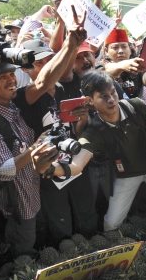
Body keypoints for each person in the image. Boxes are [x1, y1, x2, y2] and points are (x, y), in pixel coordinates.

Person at [31, 70, 146, 237]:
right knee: (111, 223)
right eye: (103, 96)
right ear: (89, 101)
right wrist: (48, 169)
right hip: (126, 176)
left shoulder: (135, 106)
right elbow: (77, 165)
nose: (111, 99)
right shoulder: (94, 130)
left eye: (113, 92)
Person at [9, 18, 97, 243]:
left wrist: (82, 118)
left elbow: (74, 131)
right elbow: (41, 83)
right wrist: (69, 44)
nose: (49, 66)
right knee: (61, 224)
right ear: (25, 68)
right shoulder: (23, 96)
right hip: (49, 168)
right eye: (41, 63)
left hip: (75, 160)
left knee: (86, 215)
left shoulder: (62, 88)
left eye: (51, 60)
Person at [0, 63, 45, 257]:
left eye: (11, 74)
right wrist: (36, 147)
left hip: (31, 195)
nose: (11, 80)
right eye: (2, 77)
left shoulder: (12, 107)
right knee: (21, 254)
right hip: (16, 207)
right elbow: (1, 171)